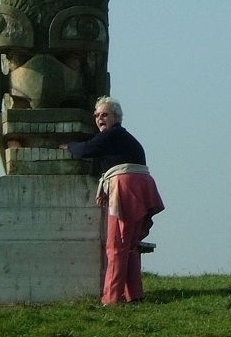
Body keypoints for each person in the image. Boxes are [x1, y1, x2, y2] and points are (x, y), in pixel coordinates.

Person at [61, 96, 165, 305]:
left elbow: (86, 150)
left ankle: (111, 299)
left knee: (116, 246)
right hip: (142, 187)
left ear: (116, 117)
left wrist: (69, 146)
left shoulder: (111, 135)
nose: (100, 119)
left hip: (126, 187)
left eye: (104, 114)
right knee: (131, 246)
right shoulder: (125, 138)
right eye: (97, 115)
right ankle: (134, 295)